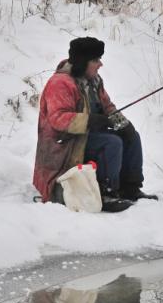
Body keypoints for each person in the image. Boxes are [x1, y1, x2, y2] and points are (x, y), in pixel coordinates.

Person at [33, 36, 156, 211]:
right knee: (111, 143)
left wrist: (122, 122)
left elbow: (107, 106)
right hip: (65, 145)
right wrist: (89, 120)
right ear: (83, 62)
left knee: (130, 136)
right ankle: (107, 193)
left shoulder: (94, 81)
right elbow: (58, 119)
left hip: (85, 137)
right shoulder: (60, 84)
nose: (100, 64)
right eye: (96, 60)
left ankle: (131, 188)